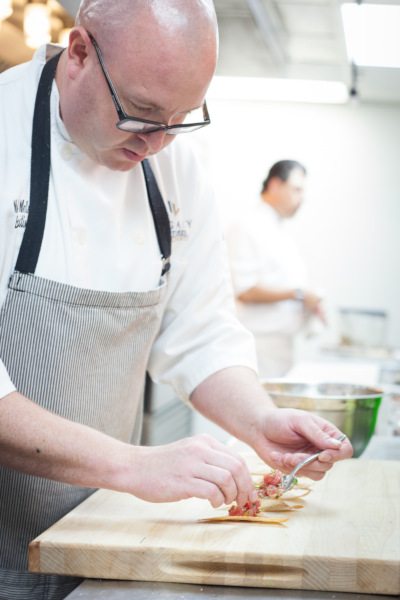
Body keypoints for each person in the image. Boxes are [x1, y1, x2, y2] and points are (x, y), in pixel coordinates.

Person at [0, 3, 352, 599]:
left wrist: (259, 420)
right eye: (140, 115)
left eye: (182, 117)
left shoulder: (174, 164)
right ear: (80, 52)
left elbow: (201, 331)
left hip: (99, 537)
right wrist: (131, 465)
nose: (159, 142)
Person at [227, 160, 326, 378]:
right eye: (297, 189)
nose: (302, 198)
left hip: (279, 346)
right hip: (257, 346)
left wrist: (309, 301)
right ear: (274, 185)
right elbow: (245, 290)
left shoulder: (276, 229)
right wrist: (299, 294)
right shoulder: (247, 226)